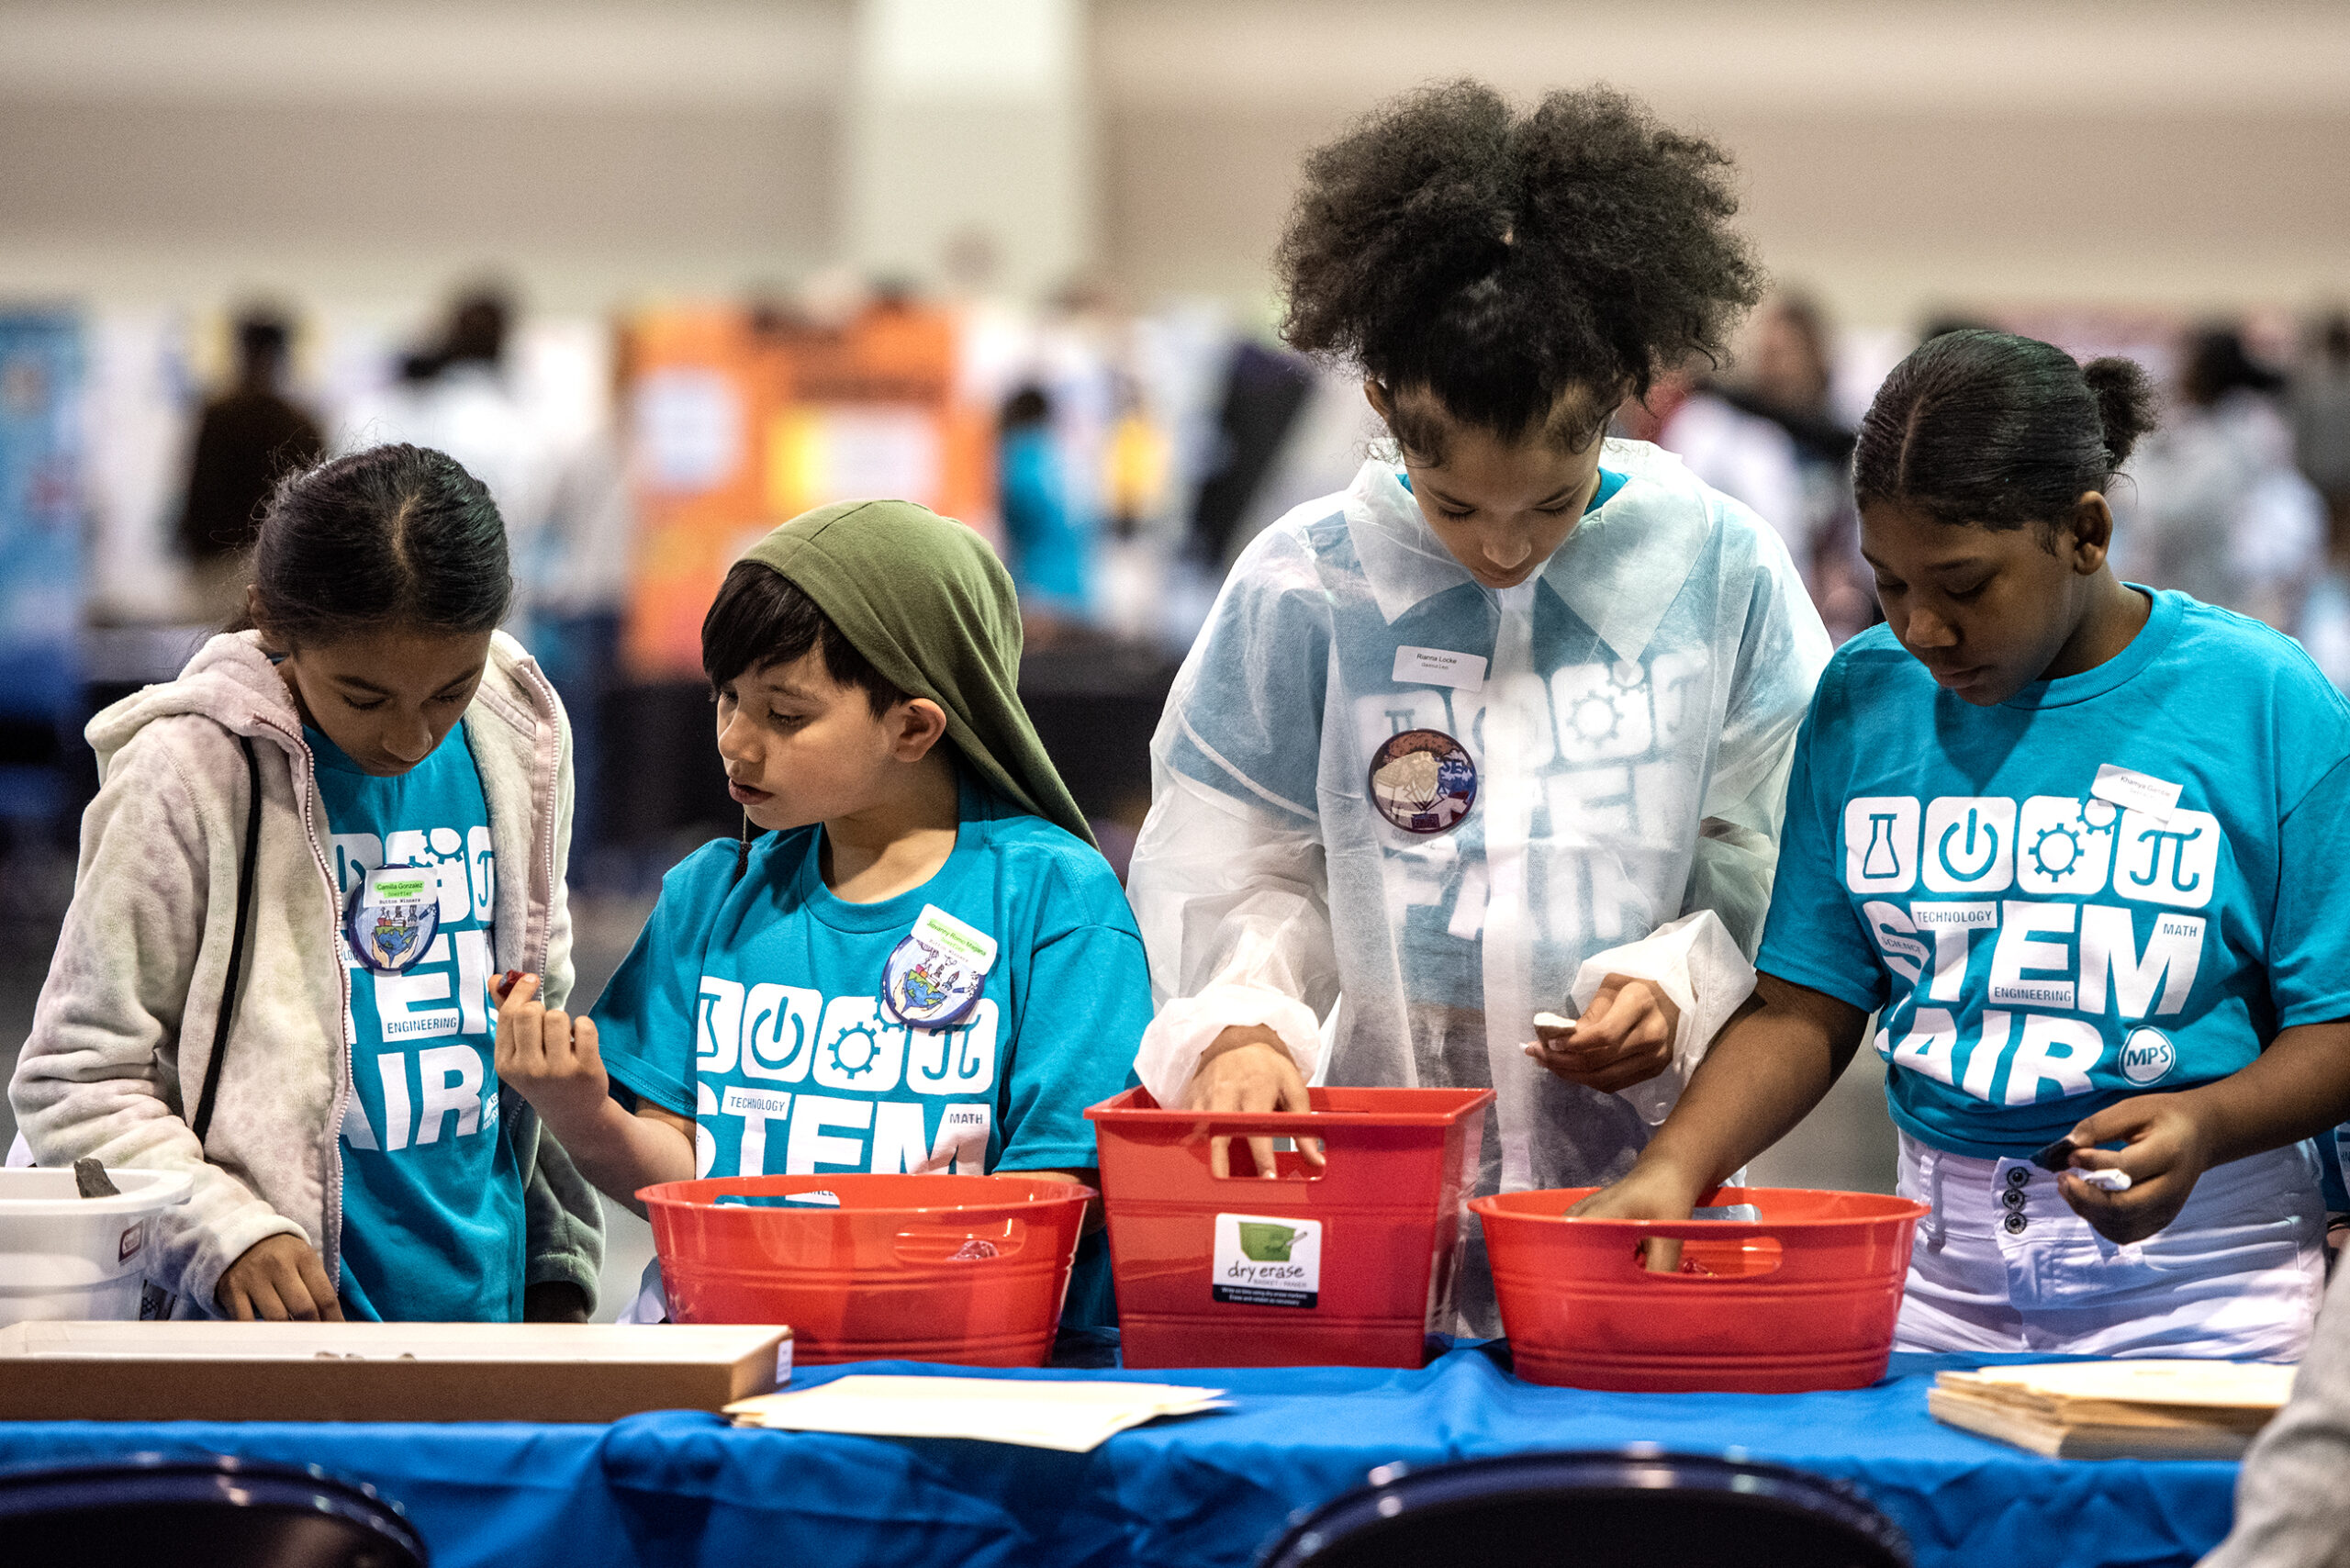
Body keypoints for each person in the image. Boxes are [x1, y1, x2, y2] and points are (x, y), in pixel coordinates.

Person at [1122, 81, 1833, 1334]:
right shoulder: (1308, 585)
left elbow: (1786, 849)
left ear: (1621, 391)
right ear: (1386, 399)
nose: (1504, 551)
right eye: (1455, 507)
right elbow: (1239, 854)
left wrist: (1681, 978)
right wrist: (1244, 1023)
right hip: (1368, 1193)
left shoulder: (1720, 576)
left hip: (1641, 1195)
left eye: (1552, 504)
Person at [1577, 330, 2350, 1360]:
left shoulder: (2259, 697)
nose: (1921, 628)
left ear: (2084, 531)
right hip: (1937, 1272)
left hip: (2205, 1268)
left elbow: (2336, 1025)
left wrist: (2208, 1121)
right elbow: (1804, 1005)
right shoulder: (1863, 698)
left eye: (1964, 584)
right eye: (1889, 584)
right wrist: (1675, 1167)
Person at [491, 499, 1152, 1326]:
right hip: (726, 1363)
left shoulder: (1052, 898)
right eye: (725, 698)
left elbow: (1060, 1191)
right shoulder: (711, 892)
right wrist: (580, 1111)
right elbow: (684, 1178)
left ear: (914, 726)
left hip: (953, 1368)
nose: (735, 740)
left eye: (785, 714)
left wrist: (858, 1292)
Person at [11, 444, 604, 1322]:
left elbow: (521, 1044)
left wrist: (554, 1255)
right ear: (273, 622)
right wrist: (223, 1233)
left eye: (450, 689)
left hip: (486, 1315)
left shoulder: (517, 740)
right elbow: (75, 1080)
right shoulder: (186, 777)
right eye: (363, 698)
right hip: (267, 1338)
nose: (411, 736)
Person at [176, 306, 325, 624]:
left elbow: (198, 495)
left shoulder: (219, 416)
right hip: (277, 565)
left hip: (229, 564)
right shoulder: (300, 419)